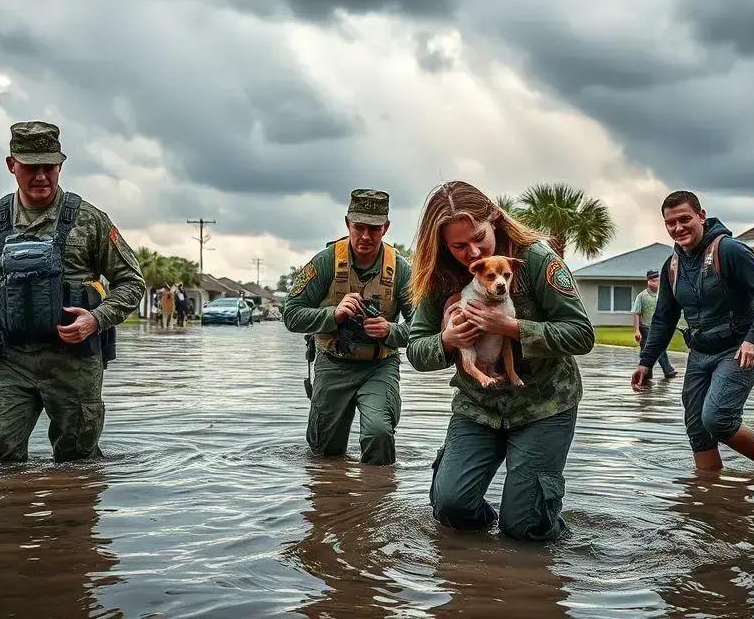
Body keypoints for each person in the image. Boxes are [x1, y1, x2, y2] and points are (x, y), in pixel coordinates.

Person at [406, 181, 594, 542]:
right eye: (459, 246)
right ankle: (482, 569)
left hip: (544, 404)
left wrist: (511, 327)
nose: (472, 251)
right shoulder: (439, 273)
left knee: (524, 527)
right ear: (443, 244)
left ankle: (539, 533)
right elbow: (416, 350)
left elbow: (581, 334)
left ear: (494, 219)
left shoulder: (536, 260)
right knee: (451, 507)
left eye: (479, 237)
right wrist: (446, 341)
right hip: (477, 406)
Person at [0, 121, 145, 463]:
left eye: (49, 167)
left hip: (75, 361)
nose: (41, 176)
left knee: (78, 464)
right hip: (9, 358)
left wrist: (96, 320)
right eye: (30, 167)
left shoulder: (91, 220)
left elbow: (131, 282)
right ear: (12, 165)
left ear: (60, 165)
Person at [632, 191, 754, 473]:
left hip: (739, 349)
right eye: (670, 223)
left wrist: (753, 340)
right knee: (696, 427)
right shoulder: (671, 266)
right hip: (700, 352)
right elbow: (664, 318)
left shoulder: (730, 251)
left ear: (701, 216)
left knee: (717, 419)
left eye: (685, 219)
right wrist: (646, 361)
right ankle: (707, 498)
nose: (678, 228)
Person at [283, 189, 413, 466]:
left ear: (386, 228)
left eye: (374, 229)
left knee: (378, 432)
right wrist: (334, 314)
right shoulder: (325, 262)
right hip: (333, 363)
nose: (366, 236)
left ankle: (379, 502)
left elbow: (423, 328)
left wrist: (391, 331)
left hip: (380, 365)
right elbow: (291, 315)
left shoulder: (402, 270)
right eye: (359, 227)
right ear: (347, 224)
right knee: (324, 452)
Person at [632, 269, 677, 378]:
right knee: (652, 349)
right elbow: (636, 313)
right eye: (654, 280)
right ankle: (661, 370)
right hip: (646, 327)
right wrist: (637, 330)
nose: (656, 283)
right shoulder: (642, 296)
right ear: (648, 281)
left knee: (653, 348)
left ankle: (655, 371)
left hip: (658, 327)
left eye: (658, 280)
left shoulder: (662, 296)